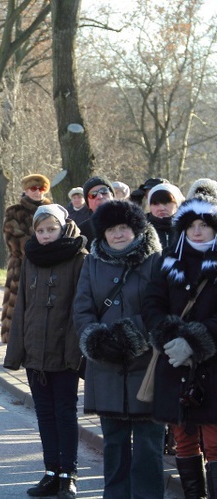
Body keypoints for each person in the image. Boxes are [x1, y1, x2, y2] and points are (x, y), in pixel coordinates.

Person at [73, 200, 164, 498]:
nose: (118, 234)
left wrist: (128, 337)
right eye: (111, 229)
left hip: (147, 366)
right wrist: (96, 340)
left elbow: (161, 308)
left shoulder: (156, 261)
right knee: (114, 444)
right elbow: (82, 308)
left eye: (124, 227)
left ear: (136, 229)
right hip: (106, 366)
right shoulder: (92, 262)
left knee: (149, 445)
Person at [4, 204, 87, 498]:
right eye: (41, 230)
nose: (46, 235)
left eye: (52, 229)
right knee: (44, 414)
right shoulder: (31, 258)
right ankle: (51, 471)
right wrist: (17, 351)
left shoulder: (79, 258)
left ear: (63, 228)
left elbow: (80, 310)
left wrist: (74, 353)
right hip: (34, 352)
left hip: (64, 352)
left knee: (65, 413)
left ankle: (68, 474)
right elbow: (21, 306)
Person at [143, 194, 217, 499]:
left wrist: (194, 341)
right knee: (183, 439)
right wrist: (170, 338)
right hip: (174, 362)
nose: (197, 231)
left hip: (213, 365)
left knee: (214, 441)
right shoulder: (167, 260)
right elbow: (152, 303)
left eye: (204, 225)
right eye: (191, 226)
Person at [1, 174, 52, 343]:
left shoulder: (53, 211)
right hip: (21, 265)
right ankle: (15, 342)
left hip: (50, 265)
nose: (37, 192)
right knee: (17, 306)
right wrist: (37, 250)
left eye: (41, 189)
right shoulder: (14, 211)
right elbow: (12, 238)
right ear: (26, 190)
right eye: (33, 189)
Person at [78, 176, 116, 250]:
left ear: (112, 195)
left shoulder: (129, 220)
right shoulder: (82, 232)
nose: (99, 196)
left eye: (104, 191)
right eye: (93, 194)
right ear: (88, 204)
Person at [146, 183, 184, 250]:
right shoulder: (141, 230)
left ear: (177, 204)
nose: (161, 208)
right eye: (156, 204)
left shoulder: (186, 229)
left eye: (166, 203)